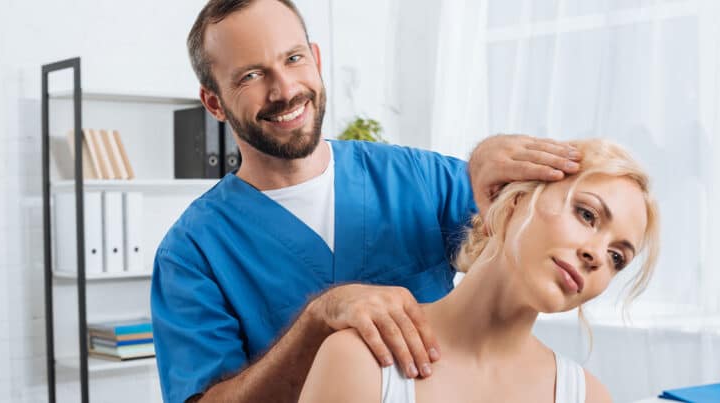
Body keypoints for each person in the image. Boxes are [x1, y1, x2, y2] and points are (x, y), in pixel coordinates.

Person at [151, 1, 584, 402]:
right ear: (214, 102)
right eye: (251, 75)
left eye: (293, 58)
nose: (284, 89)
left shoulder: (421, 181)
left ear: (316, 60)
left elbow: (549, 230)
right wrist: (318, 319)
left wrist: (495, 167)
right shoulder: (193, 252)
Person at [298, 139, 660, 403]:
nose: (597, 255)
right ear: (515, 201)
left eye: (617, 257)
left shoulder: (588, 397)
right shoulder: (358, 362)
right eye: (586, 214)